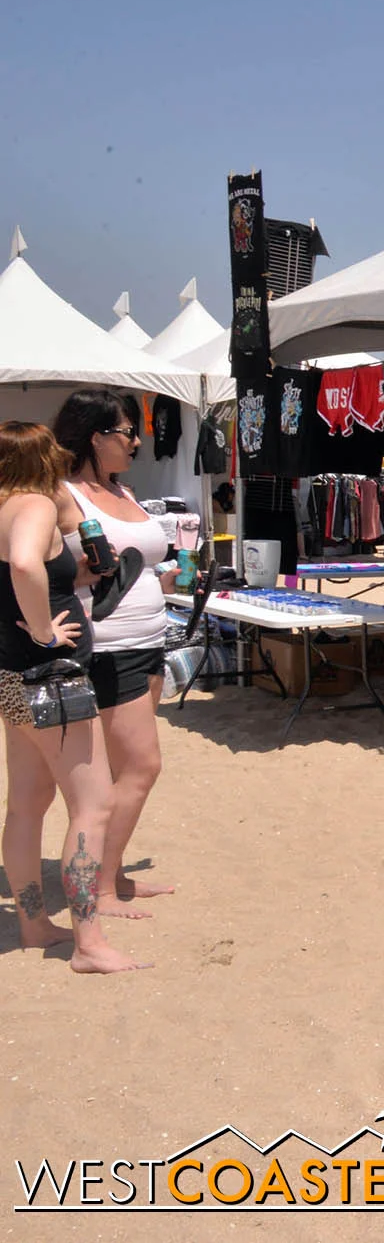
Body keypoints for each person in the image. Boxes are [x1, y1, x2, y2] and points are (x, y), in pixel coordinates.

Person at [0, 420, 147, 972]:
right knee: (93, 804)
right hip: (52, 676)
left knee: (26, 804)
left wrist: (71, 580)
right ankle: (89, 941)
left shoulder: (3, 506)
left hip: (13, 675)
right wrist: (43, 631)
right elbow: (23, 564)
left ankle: (33, 924)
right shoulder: (34, 505)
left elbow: (22, 572)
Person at [32, 390, 181, 916]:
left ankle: (111, 874)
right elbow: (32, 565)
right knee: (142, 767)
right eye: (127, 432)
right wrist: (75, 577)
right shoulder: (61, 494)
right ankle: (99, 888)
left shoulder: (124, 490)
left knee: (124, 772)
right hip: (108, 648)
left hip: (150, 641)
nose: (137, 442)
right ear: (96, 437)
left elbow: (141, 561)